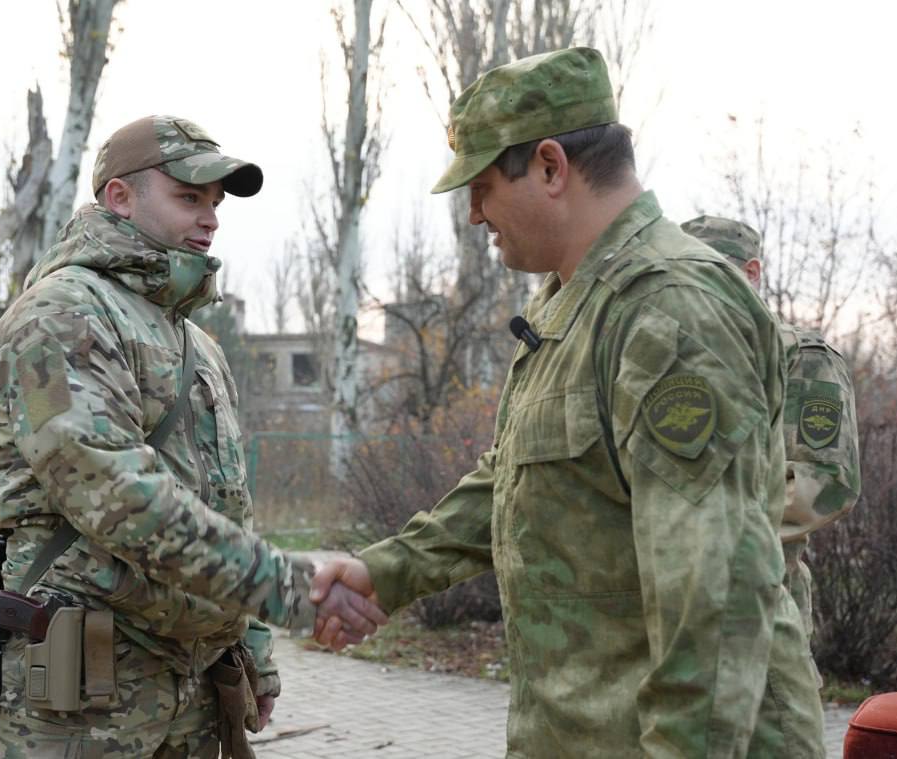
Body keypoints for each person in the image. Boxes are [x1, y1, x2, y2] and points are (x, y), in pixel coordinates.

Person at [310, 48, 826, 757]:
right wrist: (386, 569)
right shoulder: (573, 302)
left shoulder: (671, 311)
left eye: (483, 185)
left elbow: (715, 599)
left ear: (551, 166)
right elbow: (514, 477)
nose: (472, 214)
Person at [0, 115, 385, 759]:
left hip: (192, 684)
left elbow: (227, 504)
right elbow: (111, 490)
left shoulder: (198, 343)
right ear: (120, 197)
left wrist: (250, 645)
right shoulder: (61, 314)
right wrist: (287, 587)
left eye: (215, 203)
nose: (210, 218)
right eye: (189, 197)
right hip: (86, 685)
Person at [681, 215, 861, 652]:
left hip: (761, 610)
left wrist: (696, 533)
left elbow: (823, 485)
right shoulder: (676, 358)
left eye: (712, 273)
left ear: (752, 273)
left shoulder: (801, 358)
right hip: (673, 613)